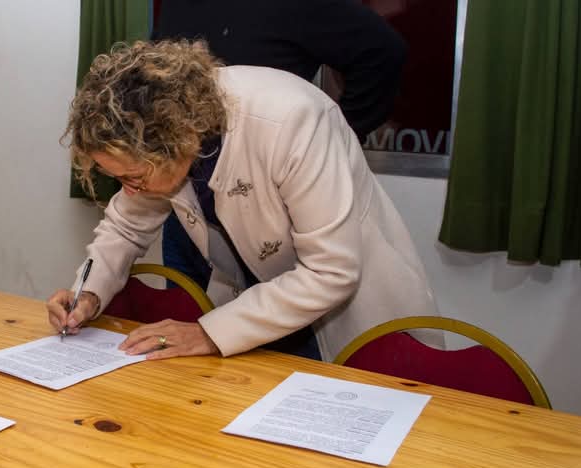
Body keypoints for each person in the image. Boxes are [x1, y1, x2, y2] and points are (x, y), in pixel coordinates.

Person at [46, 40, 441, 362]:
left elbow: (330, 271)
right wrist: (89, 293)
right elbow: (124, 226)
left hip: (348, 312)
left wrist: (207, 333)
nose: (129, 191)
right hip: (258, 313)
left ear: (179, 141)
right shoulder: (163, 139)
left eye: (133, 178)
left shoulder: (292, 119)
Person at [151, 0, 408, 292]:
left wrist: (335, 135)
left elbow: (383, 52)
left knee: (276, 309)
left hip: (266, 202)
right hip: (186, 192)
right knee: (180, 312)